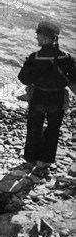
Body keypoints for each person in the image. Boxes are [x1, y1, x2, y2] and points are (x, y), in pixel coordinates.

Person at [18, 20, 76, 175]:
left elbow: (24, 79)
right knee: (53, 130)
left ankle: (30, 158)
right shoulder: (67, 58)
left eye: (38, 35)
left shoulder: (35, 57)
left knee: (34, 127)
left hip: (38, 98)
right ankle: (45, 161)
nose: (36, 38)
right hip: (57, 99)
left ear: (44, 37)